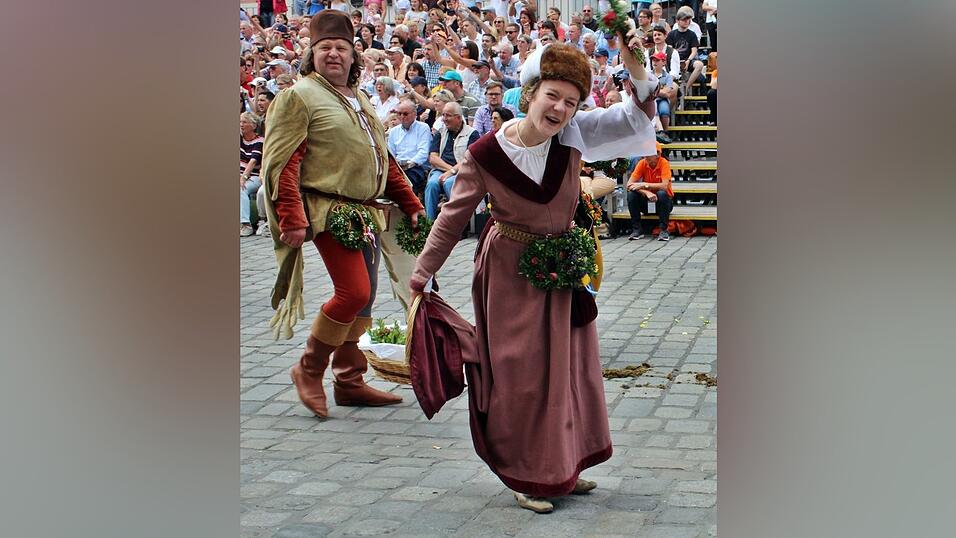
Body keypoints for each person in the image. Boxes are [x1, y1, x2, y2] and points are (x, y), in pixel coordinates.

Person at [409, 40, 658, 514]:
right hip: (508, 275)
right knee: (518, 374)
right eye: (553, 95)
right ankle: (523, 472)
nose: (560, 108)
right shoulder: (485, 153)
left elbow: (633, 118)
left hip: (561, 270)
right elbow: (452, 218)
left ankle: (561, 465)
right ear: (531, 93)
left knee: (567, 371)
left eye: (571, 101)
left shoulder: (574, 134)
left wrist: (635, 67)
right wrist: (421, 274)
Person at [259, 10, 426, 418]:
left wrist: (410, 201)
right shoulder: (299, 96)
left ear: (354, 56)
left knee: (364, 298)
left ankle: (350, 380)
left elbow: (382, 159)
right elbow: (284, 162)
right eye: (325, 48)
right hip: (328, 209)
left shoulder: (360, 98)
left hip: (366, 212)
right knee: (354, 292)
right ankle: (309, 367)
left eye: (341, 48)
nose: (333, 54)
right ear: (311, 54)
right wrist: (291, 217)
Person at [423, 102, 480, 220]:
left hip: (463, 172)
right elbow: (433, 158)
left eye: (448, 115)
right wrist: (450, 170)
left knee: (449, 183)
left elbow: (469, 159)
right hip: (441, 170)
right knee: (432, 184)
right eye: (443, 115)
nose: (444, 119)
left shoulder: (472, 134)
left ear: (458, 118)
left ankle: (455, 222)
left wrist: (452, 172)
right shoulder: (441, 132)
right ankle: (429, 223)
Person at [626, 142, 673, 241]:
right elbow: (629, 184)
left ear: (658, 154)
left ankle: (663, 230)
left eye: (648, 153)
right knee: (631, 194)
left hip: (663, 203)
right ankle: (637, 229)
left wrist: (644, 185)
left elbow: (664, 186)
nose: (645, 156)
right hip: (646, 202)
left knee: (661, 193)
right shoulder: (642, 163)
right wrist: (647, 192)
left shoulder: (664, 163)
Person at [387, 99, 433, 193]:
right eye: (399, 114)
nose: (402, 117)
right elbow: (391, 153)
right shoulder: (394, 131)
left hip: (416, 166)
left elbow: (423, 152)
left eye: (405, 114)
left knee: (404, 181)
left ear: (414, 114)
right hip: (398, 166)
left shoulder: (423, 128)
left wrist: (410, 163)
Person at [668, 10, 705, 108]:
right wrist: (677, 62)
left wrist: (688, 60)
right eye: (684, 19)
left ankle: (687, 88)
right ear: (677, 21)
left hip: (688, 60)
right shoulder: (672, 34)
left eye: (688, 19)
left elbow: (694, 50)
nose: (686, 21)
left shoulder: (692, 34)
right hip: (675, 61)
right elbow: (670, 50)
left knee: (699, 64)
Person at [240, 112, 265, 237]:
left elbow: (253, 161)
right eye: (240, 122)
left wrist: (243, 177)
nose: (241, 124)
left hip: (254, 176)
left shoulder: (260, 141)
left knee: (241, 189)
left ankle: (246, 225)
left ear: (254, 125)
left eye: (244, 122)